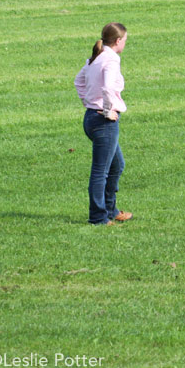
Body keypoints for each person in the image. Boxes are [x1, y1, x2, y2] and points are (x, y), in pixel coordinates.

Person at [74, 23, 133, 225]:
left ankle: (110, 209)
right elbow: (108, 88)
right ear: (118, 41)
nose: (125, 44)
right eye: (125, 40)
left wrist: (88, 102)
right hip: (103, 121)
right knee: (101, 171)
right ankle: (98, 217)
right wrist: (108, 111)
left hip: (91, 117)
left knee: (117, 165)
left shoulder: (96, 57)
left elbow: (78, 81)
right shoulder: (110, 60)